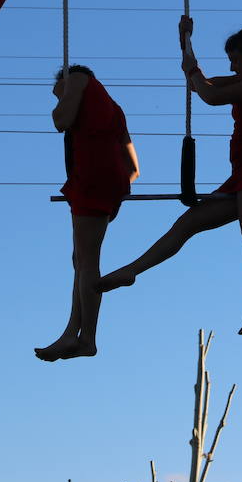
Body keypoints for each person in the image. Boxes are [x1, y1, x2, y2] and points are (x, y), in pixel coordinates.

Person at [97, 16, 242, 335]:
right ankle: (132, 270)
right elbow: (199, 84)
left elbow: (209, 96)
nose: (233, 67)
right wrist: (185, 42)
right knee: (188, 223)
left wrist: (194, 68)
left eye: (236, 60)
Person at [35, 64, 140, 361]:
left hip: (93, 178)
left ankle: (82, 337)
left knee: (87, 261)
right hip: (104, 180)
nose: (57, 99)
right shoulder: (112, 108)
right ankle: (75, 333)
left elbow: (60, 119)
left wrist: (64, 98)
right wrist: (114, 188)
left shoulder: (79, 80)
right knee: (81, 259)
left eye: (57, 93)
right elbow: (134, 169)